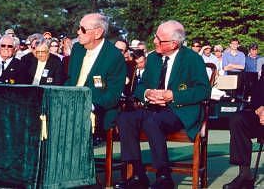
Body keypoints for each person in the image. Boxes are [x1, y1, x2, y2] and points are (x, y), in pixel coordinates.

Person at [114, 20, 210, 189]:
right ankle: (138, 176)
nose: (155, 41)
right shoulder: (152, 58)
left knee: (153, 121)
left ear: (174, 43)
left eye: (160, 39)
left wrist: (173, 95)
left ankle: (164, 177)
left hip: (179, 110)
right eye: (156, 37)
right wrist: (147, 93)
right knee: (125, 118)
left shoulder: (192, 59)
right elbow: (140, 87)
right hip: (152, 108)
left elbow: (203, 91)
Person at [65, 13, 125, 136]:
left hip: (97, 107)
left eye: (82, 29)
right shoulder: (77, 49)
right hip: (70, 102)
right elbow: (70, 79)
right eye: (78, 28)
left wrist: (89, 105)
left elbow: (112, 95)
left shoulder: (114, 56)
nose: (78, 32)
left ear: (98, 33)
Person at [223, 73, 264, 189]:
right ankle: (245, 174)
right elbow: (258, 92)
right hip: (261, 117)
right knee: (238, 119)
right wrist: (260, 109)